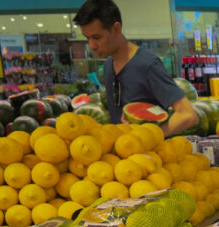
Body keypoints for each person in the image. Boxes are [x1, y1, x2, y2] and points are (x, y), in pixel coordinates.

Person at [73, 0, 198, 136]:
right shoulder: (109, 65)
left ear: (116, 29)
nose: (91, 45)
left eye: (97, 37)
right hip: (123, 151)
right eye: (87, 38)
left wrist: (149, 137)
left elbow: (188, 115)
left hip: (149, 155)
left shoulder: (148, 65)